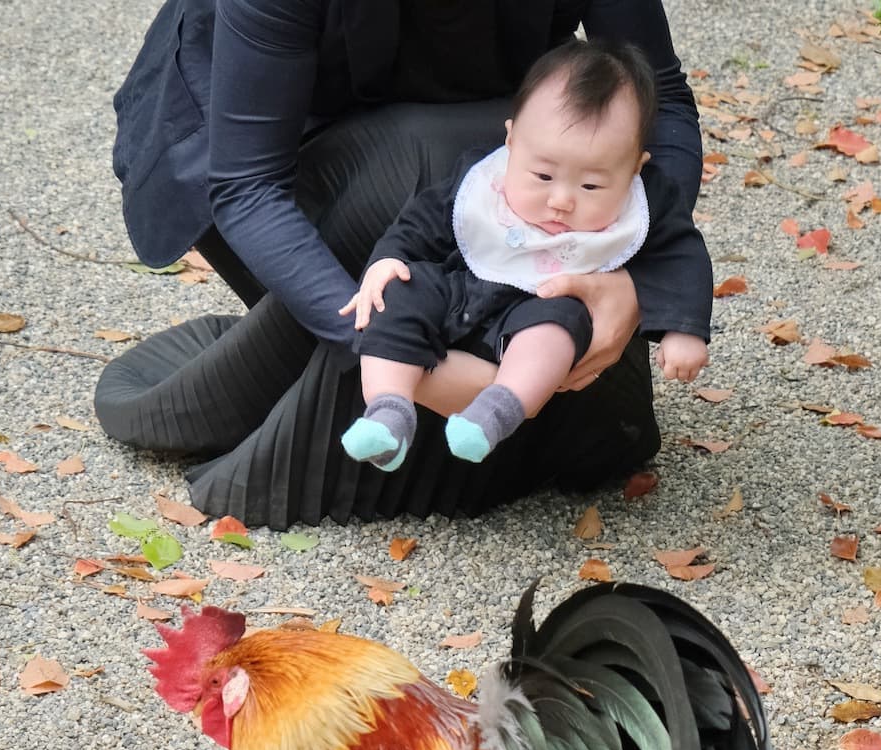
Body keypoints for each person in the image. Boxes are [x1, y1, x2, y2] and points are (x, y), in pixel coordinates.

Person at [96, 0, 707, 527]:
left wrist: (626, 276)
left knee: (569, 156)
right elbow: (249, 185)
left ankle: (518, 410)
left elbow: (662, 96)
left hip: (530, 183)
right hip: (288, 157)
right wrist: (397, 352)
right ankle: (385, 412)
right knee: (431, 155)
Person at [339, 40, 710, 472]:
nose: (561, 200)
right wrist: (388, 259)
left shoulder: (648, 200)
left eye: (591, 186)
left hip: (544, 304)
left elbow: (682, 255)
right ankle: (388, 412)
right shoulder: (481, 178)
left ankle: (496, 411)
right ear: (512, 139)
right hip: (460, 289)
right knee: (396, 295)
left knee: (557, 328)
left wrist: (683, 330)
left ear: (634, 169)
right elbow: (420, 221)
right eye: (543, 175)